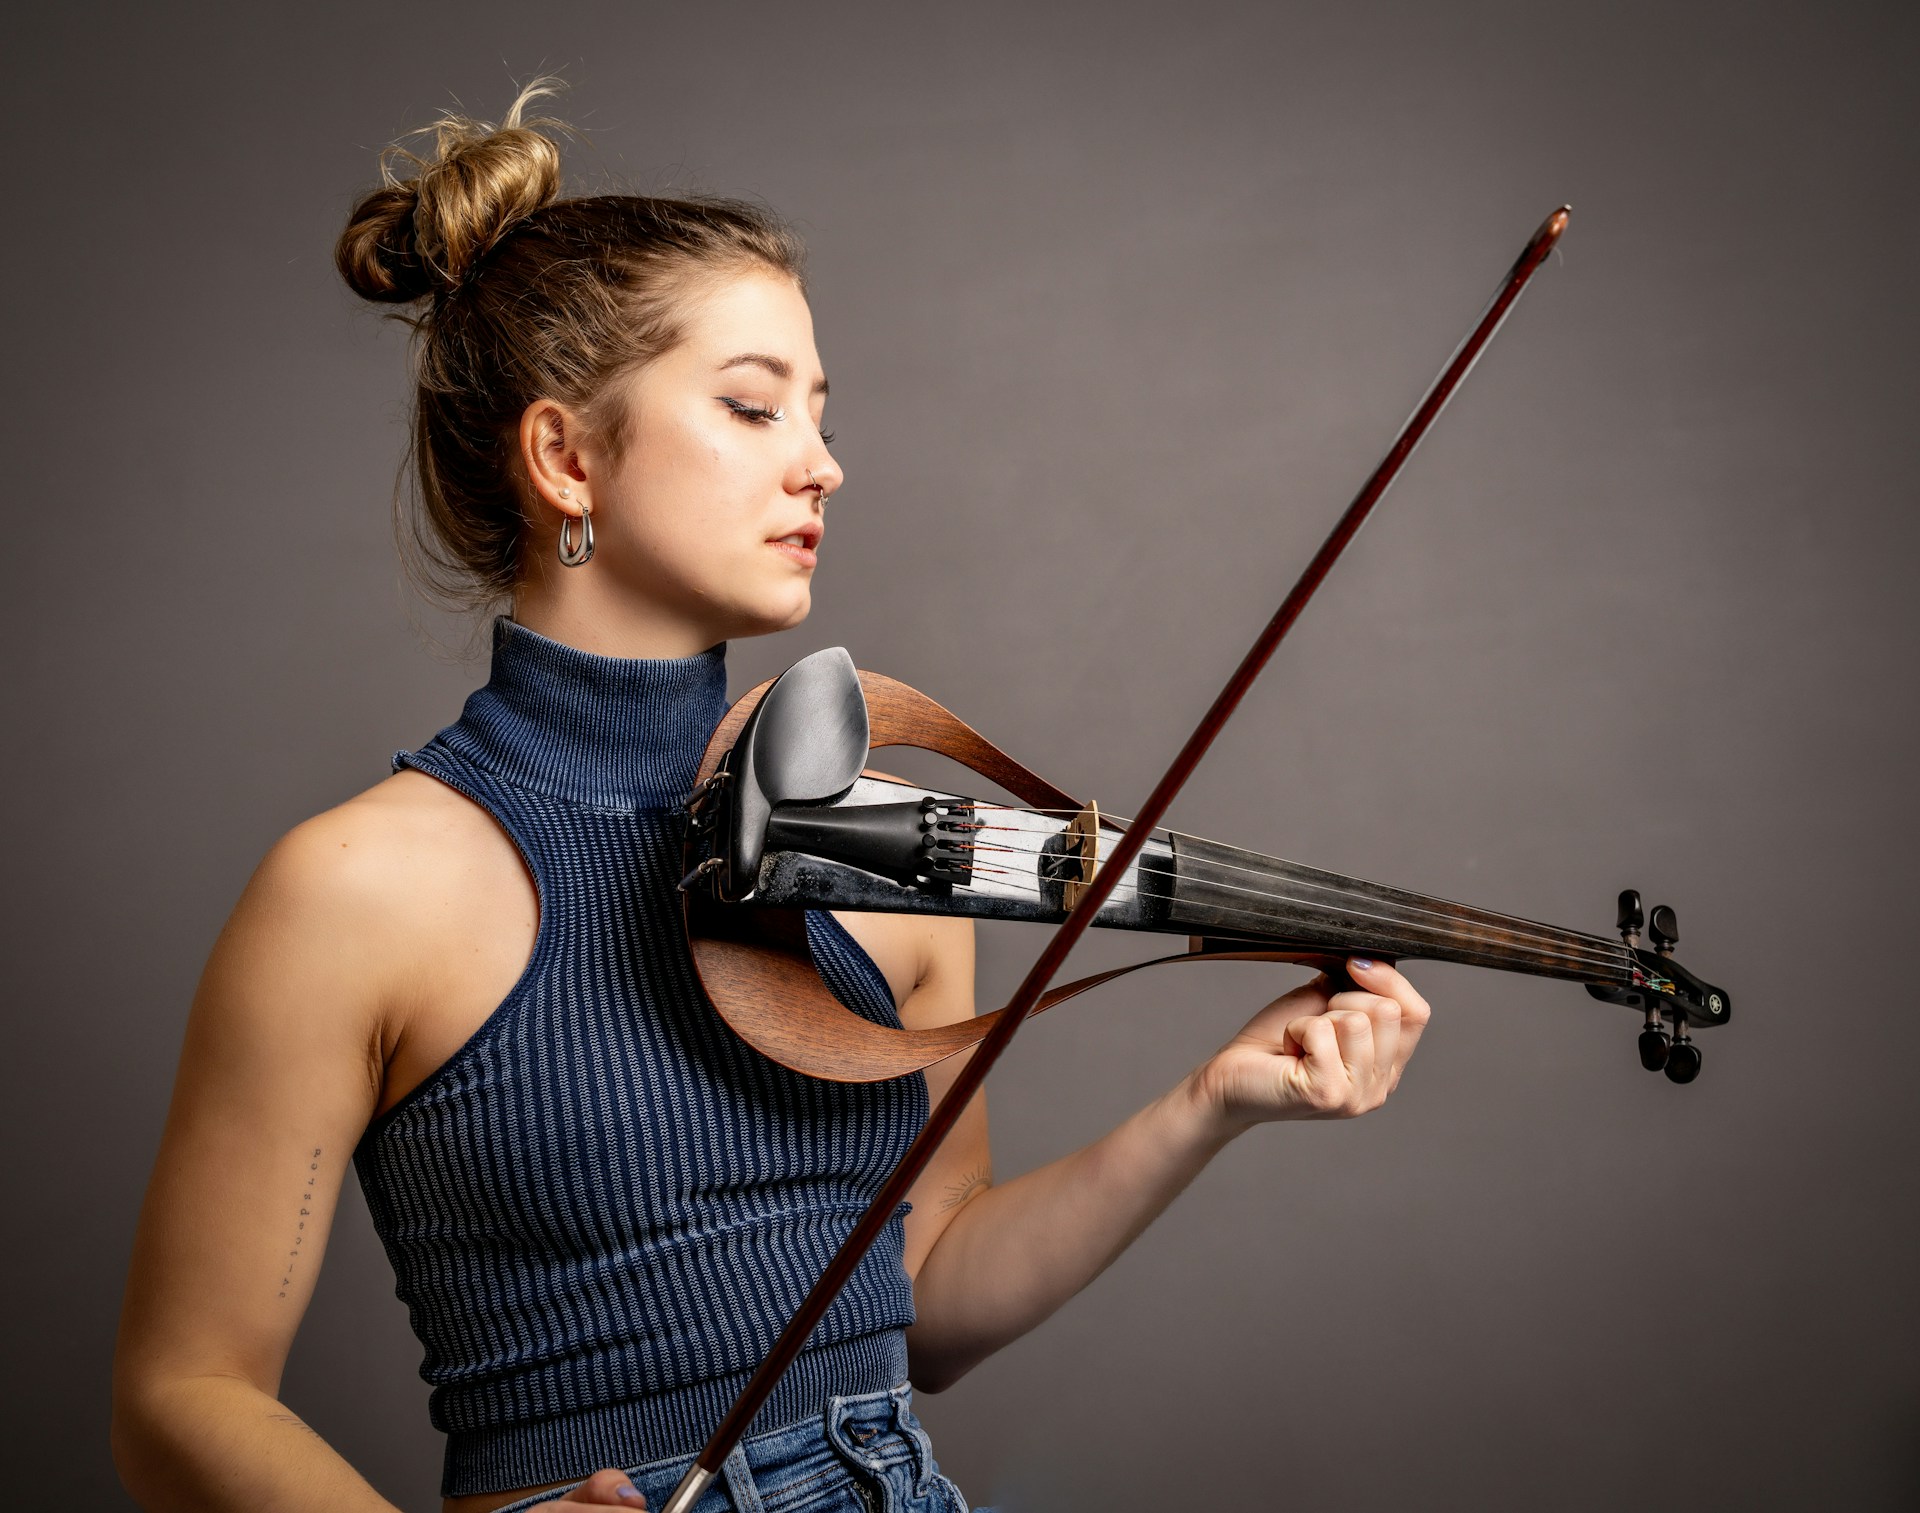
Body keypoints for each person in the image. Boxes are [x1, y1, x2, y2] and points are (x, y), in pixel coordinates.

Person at [110, 82, 1432, 1513]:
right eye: (752, 406)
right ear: (567, 456)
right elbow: (182, 1391)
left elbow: (921, 1298)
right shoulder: (358, 891)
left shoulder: (884, 859)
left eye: (819, 411)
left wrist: (1212, 1100)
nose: (823, 462)